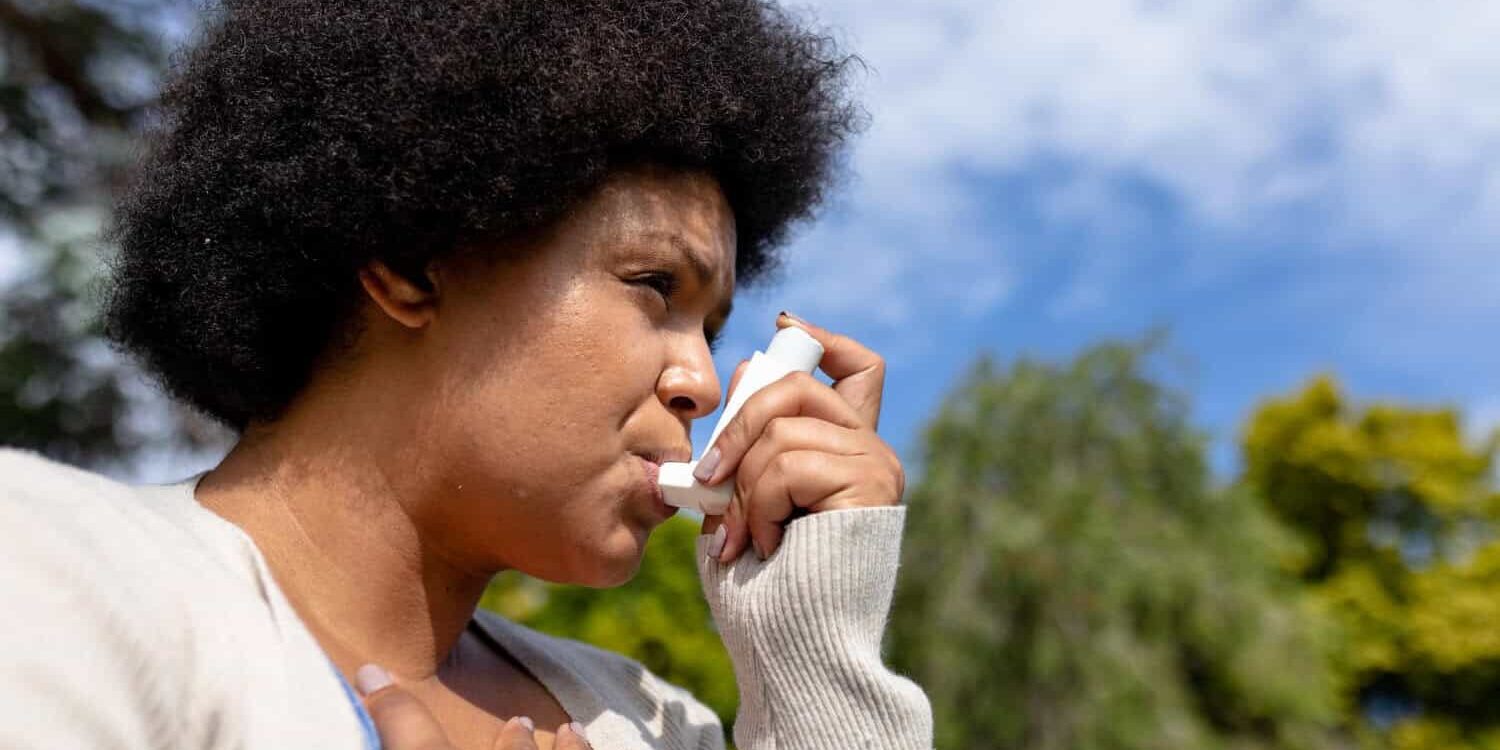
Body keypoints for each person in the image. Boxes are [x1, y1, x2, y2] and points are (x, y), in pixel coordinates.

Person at [0, 1, 934, 748]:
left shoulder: (653, 723)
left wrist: (815, 663)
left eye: (715, 326)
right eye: (655, 285)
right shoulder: (50, 578)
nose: (700, 381)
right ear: (412, 261)